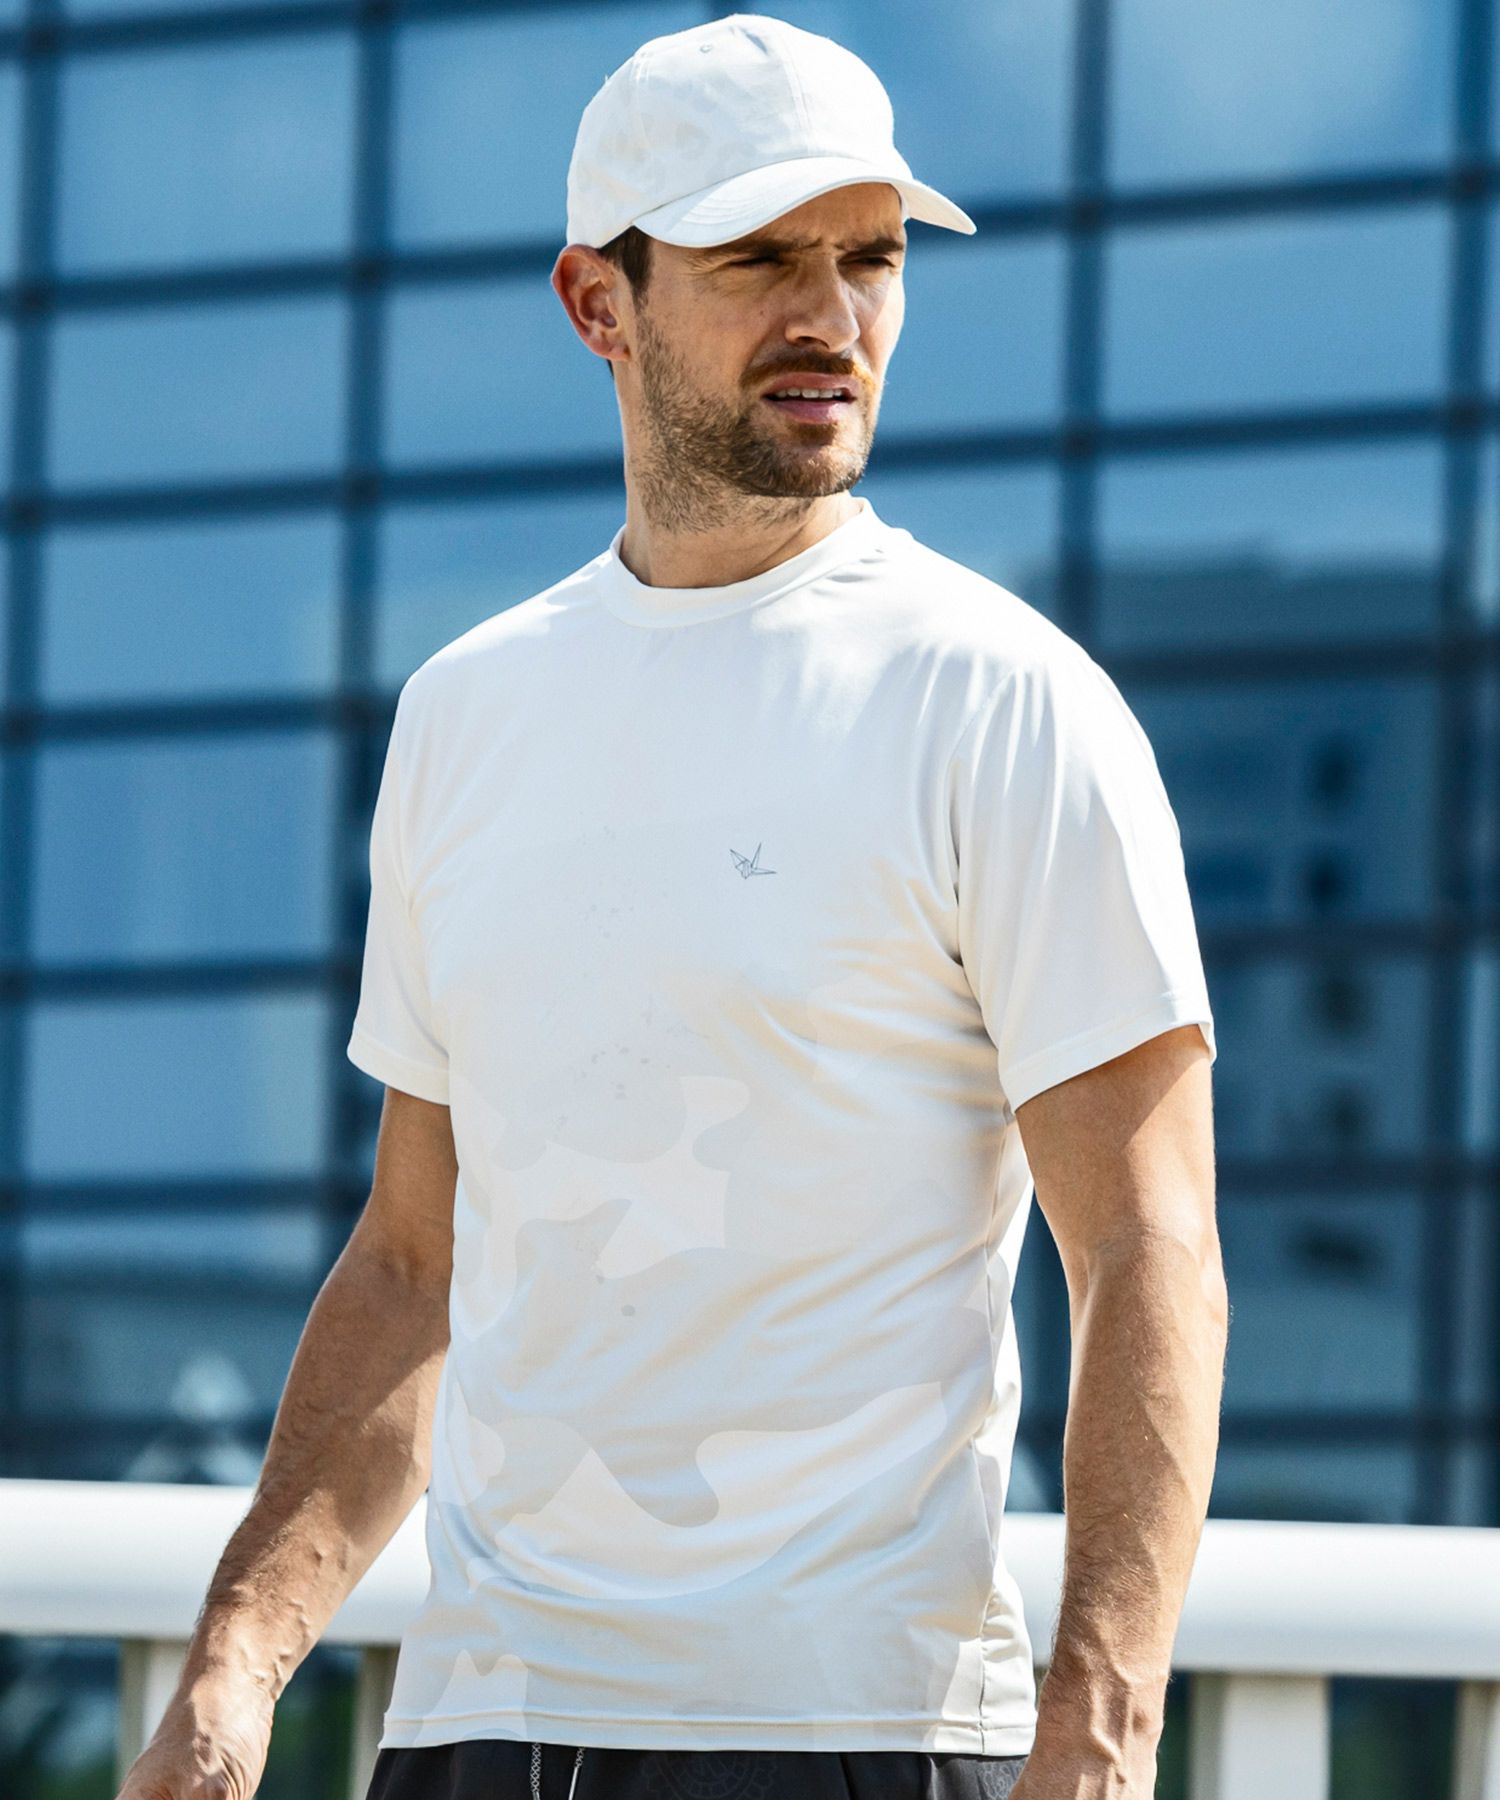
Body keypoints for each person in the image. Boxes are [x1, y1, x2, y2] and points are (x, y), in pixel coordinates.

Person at [115, 14, 1227, 1800]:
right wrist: (236, 1661)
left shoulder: (1004, 701)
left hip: (853, 1737)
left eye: (871, 259)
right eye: (759, 259)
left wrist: (1099, 1738)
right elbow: (414, 1262)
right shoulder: (464, 715)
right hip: (481, 1730)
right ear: (598, 302)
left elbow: (1148, 1248)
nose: (832, 315)